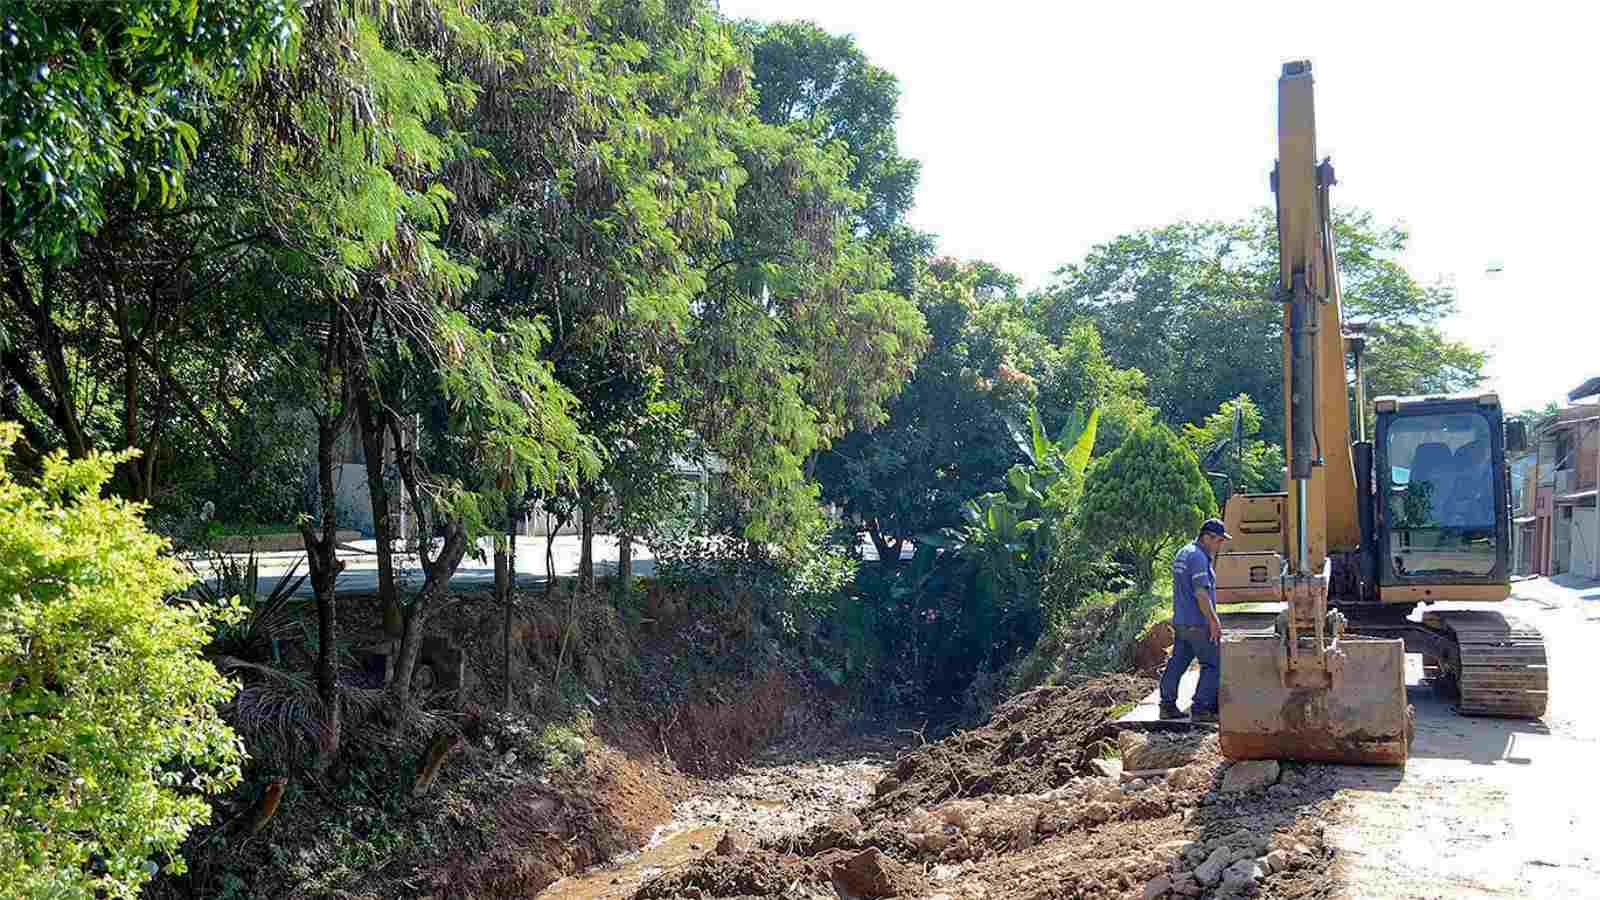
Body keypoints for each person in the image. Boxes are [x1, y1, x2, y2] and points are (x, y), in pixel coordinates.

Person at [1159, 518, 1231, 723]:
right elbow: (1201, 593)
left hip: (1181, 621)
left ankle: (1167, 706)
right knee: (1212, 664)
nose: (1219, 545)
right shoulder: (1199, 557)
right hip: (1198, 623)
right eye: (1218, 540)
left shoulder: (1184, 552)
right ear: (1207, 537)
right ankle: (1201, 709)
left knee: (1177, 663)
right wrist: (1214, 621)